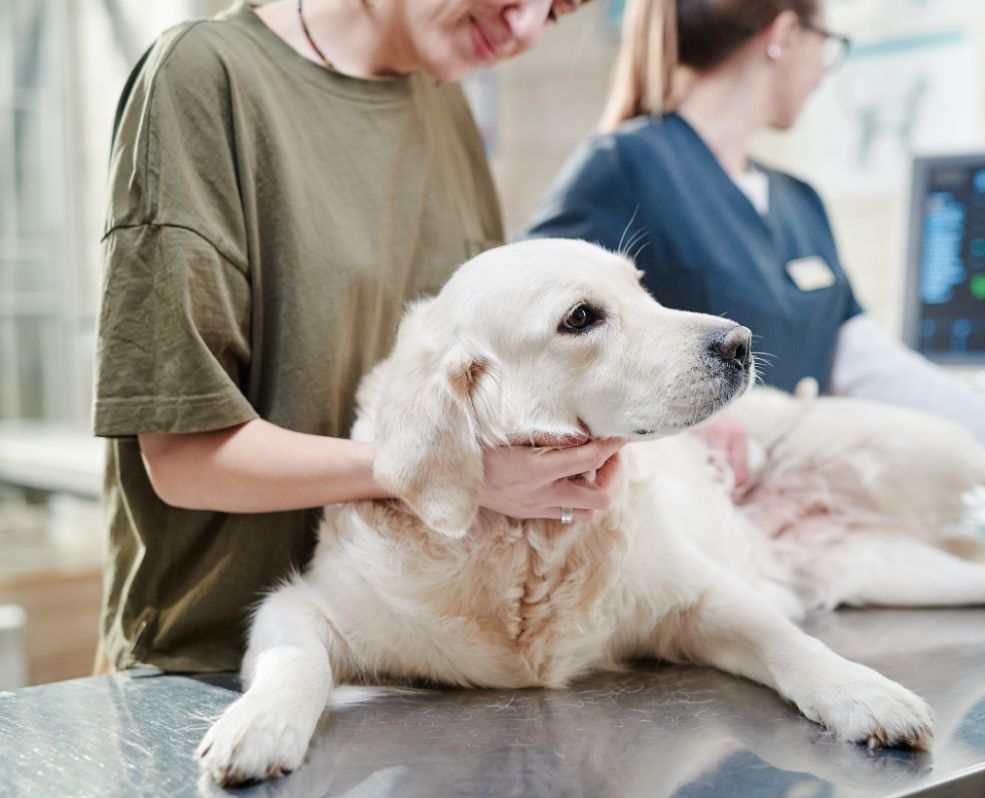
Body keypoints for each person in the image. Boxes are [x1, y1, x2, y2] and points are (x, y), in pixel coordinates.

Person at [93, 0, 623, 675]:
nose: (523, 30)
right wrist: (431, 468)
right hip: (210, 668)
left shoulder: (445, 106)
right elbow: (183, 458)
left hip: (408, 656)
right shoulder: (205, 78)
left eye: (555, 15)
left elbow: (480, 397)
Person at [526, 0, 985, 519]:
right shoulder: (623, 166)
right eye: (826, 44)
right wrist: (683, 433)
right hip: (688, 529)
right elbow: (532, 352)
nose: (826, 70)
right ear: (784, 35)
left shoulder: (799, 200)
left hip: (801, 521)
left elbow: (863, 363)